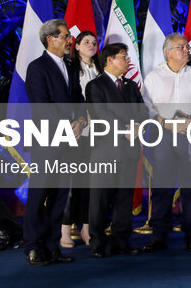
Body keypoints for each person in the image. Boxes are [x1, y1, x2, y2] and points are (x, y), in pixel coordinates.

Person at [142, 33, 191, 253]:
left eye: (187, 47)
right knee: (162, 187)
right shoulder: (153, 77)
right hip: (162, 135)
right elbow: (145, 106)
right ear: (168, 52)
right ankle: (159, 236)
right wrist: (164, 122)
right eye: (181, 47)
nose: (186, 51)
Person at [23, 18, 85, 267]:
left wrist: (81, 121)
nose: (70, 40)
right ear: (50, 39)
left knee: (60, 197)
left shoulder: (70, 66)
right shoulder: (36, 68)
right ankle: (32, 247)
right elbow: (42, 106)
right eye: (66, 36)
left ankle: (51, 246)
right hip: (47, 141)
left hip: (69, 141)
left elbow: (79, 98)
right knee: (39, 195)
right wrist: (69, 127)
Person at [85, 42, 143, 258]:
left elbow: (142, 110)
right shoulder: (95, 85)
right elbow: (101, 115)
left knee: (124, 199)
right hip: (106, 151)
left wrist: (138, 125)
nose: (128, 60)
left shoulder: (131, 85)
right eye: (123, 56)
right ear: (109, 60)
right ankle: (97, 243)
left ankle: (121, 242)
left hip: (129, 150)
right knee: (100, 200)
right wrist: (126, 128)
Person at [60, 30, 100, 249]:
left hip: (99, 132)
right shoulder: (70, 68)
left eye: (94, 42)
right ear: (76, 46)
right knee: (72, 182)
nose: (91, 45)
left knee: (90, 183)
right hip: (76, 130)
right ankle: (65, 229)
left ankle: (86, 228)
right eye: (86, 42)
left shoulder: (101, 68)